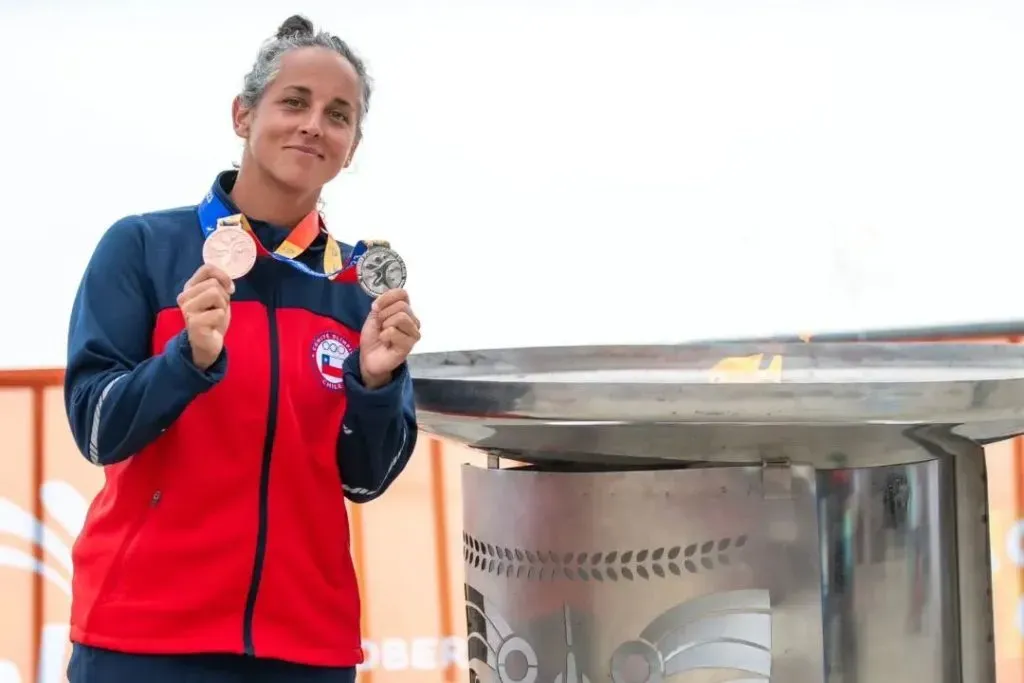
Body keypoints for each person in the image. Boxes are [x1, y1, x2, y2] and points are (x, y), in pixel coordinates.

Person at [61, 14, 421, 683]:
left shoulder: (358, 286)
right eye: (294, 102)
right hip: (144, 638)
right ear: (243, 115)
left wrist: (376, 385)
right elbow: (96, 429)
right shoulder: (144, 247)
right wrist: (185, 362)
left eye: (338, 115)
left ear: (351, 146)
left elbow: (365, 479)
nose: (313, 125)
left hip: (307, 646)